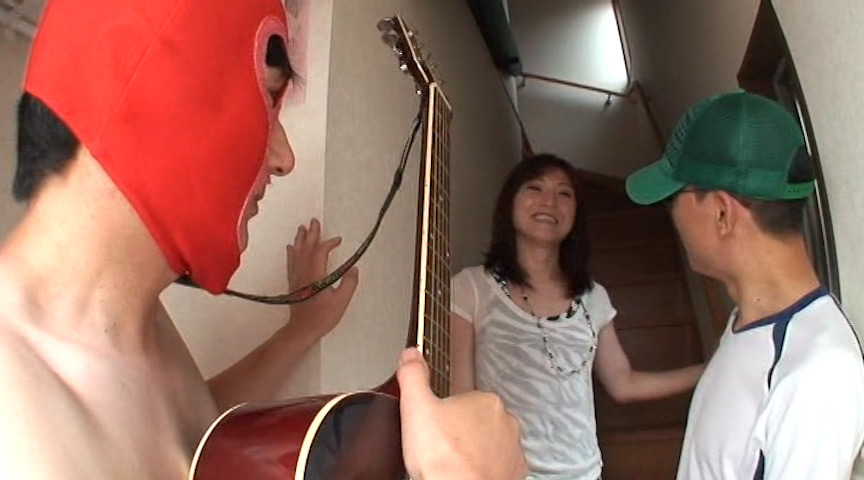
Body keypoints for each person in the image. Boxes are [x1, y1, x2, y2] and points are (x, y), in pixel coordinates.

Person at [0, 0, 526, 479]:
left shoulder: (131, 323)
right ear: (153, 94)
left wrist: (300, 332)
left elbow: (193, 451)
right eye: (268, 98)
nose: (284, 158)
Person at [625, 90, 864, 479]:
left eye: (674, 199)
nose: (672, 216)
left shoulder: (819, 372)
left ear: (722, 213)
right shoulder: (748, 321)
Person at [449, 153, 705, 479]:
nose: (549, 202)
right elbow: (462, 398)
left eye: (564, 193)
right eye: (535, 188)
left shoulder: (594, 298)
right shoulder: (471, 287)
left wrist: (708, 370)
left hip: (584, 472)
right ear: (509, 205)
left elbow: (624, 384)